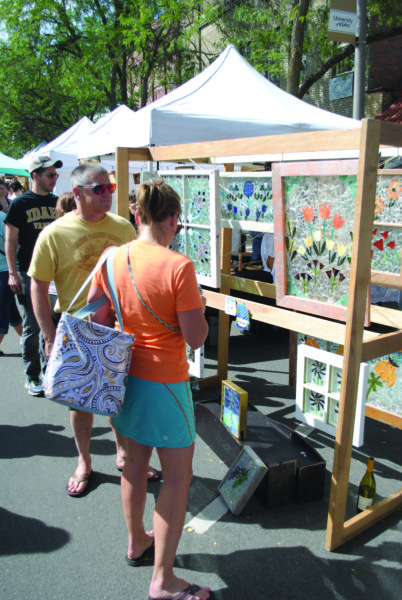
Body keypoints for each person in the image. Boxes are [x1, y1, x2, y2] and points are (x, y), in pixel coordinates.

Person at [87, 179, 212, 600]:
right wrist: (202, 311)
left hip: (122, 378)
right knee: (177, 476)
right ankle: (163, 579)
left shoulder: (110, 257)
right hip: (166, 384)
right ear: (173, 219)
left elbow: (97, 318)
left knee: (134, 465)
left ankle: (136, 541)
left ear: (137, 215)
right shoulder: (178, 267)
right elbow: (196, 338)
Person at [29, 163, 158, 497]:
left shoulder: (124, 227)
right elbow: (38, 288)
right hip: (76, 331)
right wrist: (47, 335)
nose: (107, 194)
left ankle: (124, 453)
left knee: (120, 397)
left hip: (119, 328)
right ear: (77, 193)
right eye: (98, 189)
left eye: (110, 188)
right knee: (80, 403)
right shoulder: (54, 234)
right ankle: (84, 461)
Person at [4, 156, 62, 396]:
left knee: (54, 324)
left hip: (55, 274)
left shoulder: (58, 202)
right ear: (34, 176)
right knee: (33, 325)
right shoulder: (20, 204)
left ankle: (50, 372)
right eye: (50, 175)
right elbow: (10, 240)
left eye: (56, 175)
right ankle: (32, 375)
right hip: (29, 273)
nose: (54, 179)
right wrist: (12, 273)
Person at [0, 186, 22, 355]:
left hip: (5, 269)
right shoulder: (4, 217)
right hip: (6, 268)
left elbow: (12, 242)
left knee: (3, 306)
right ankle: (25, 335)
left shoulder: (3, 219)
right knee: (8, 305)